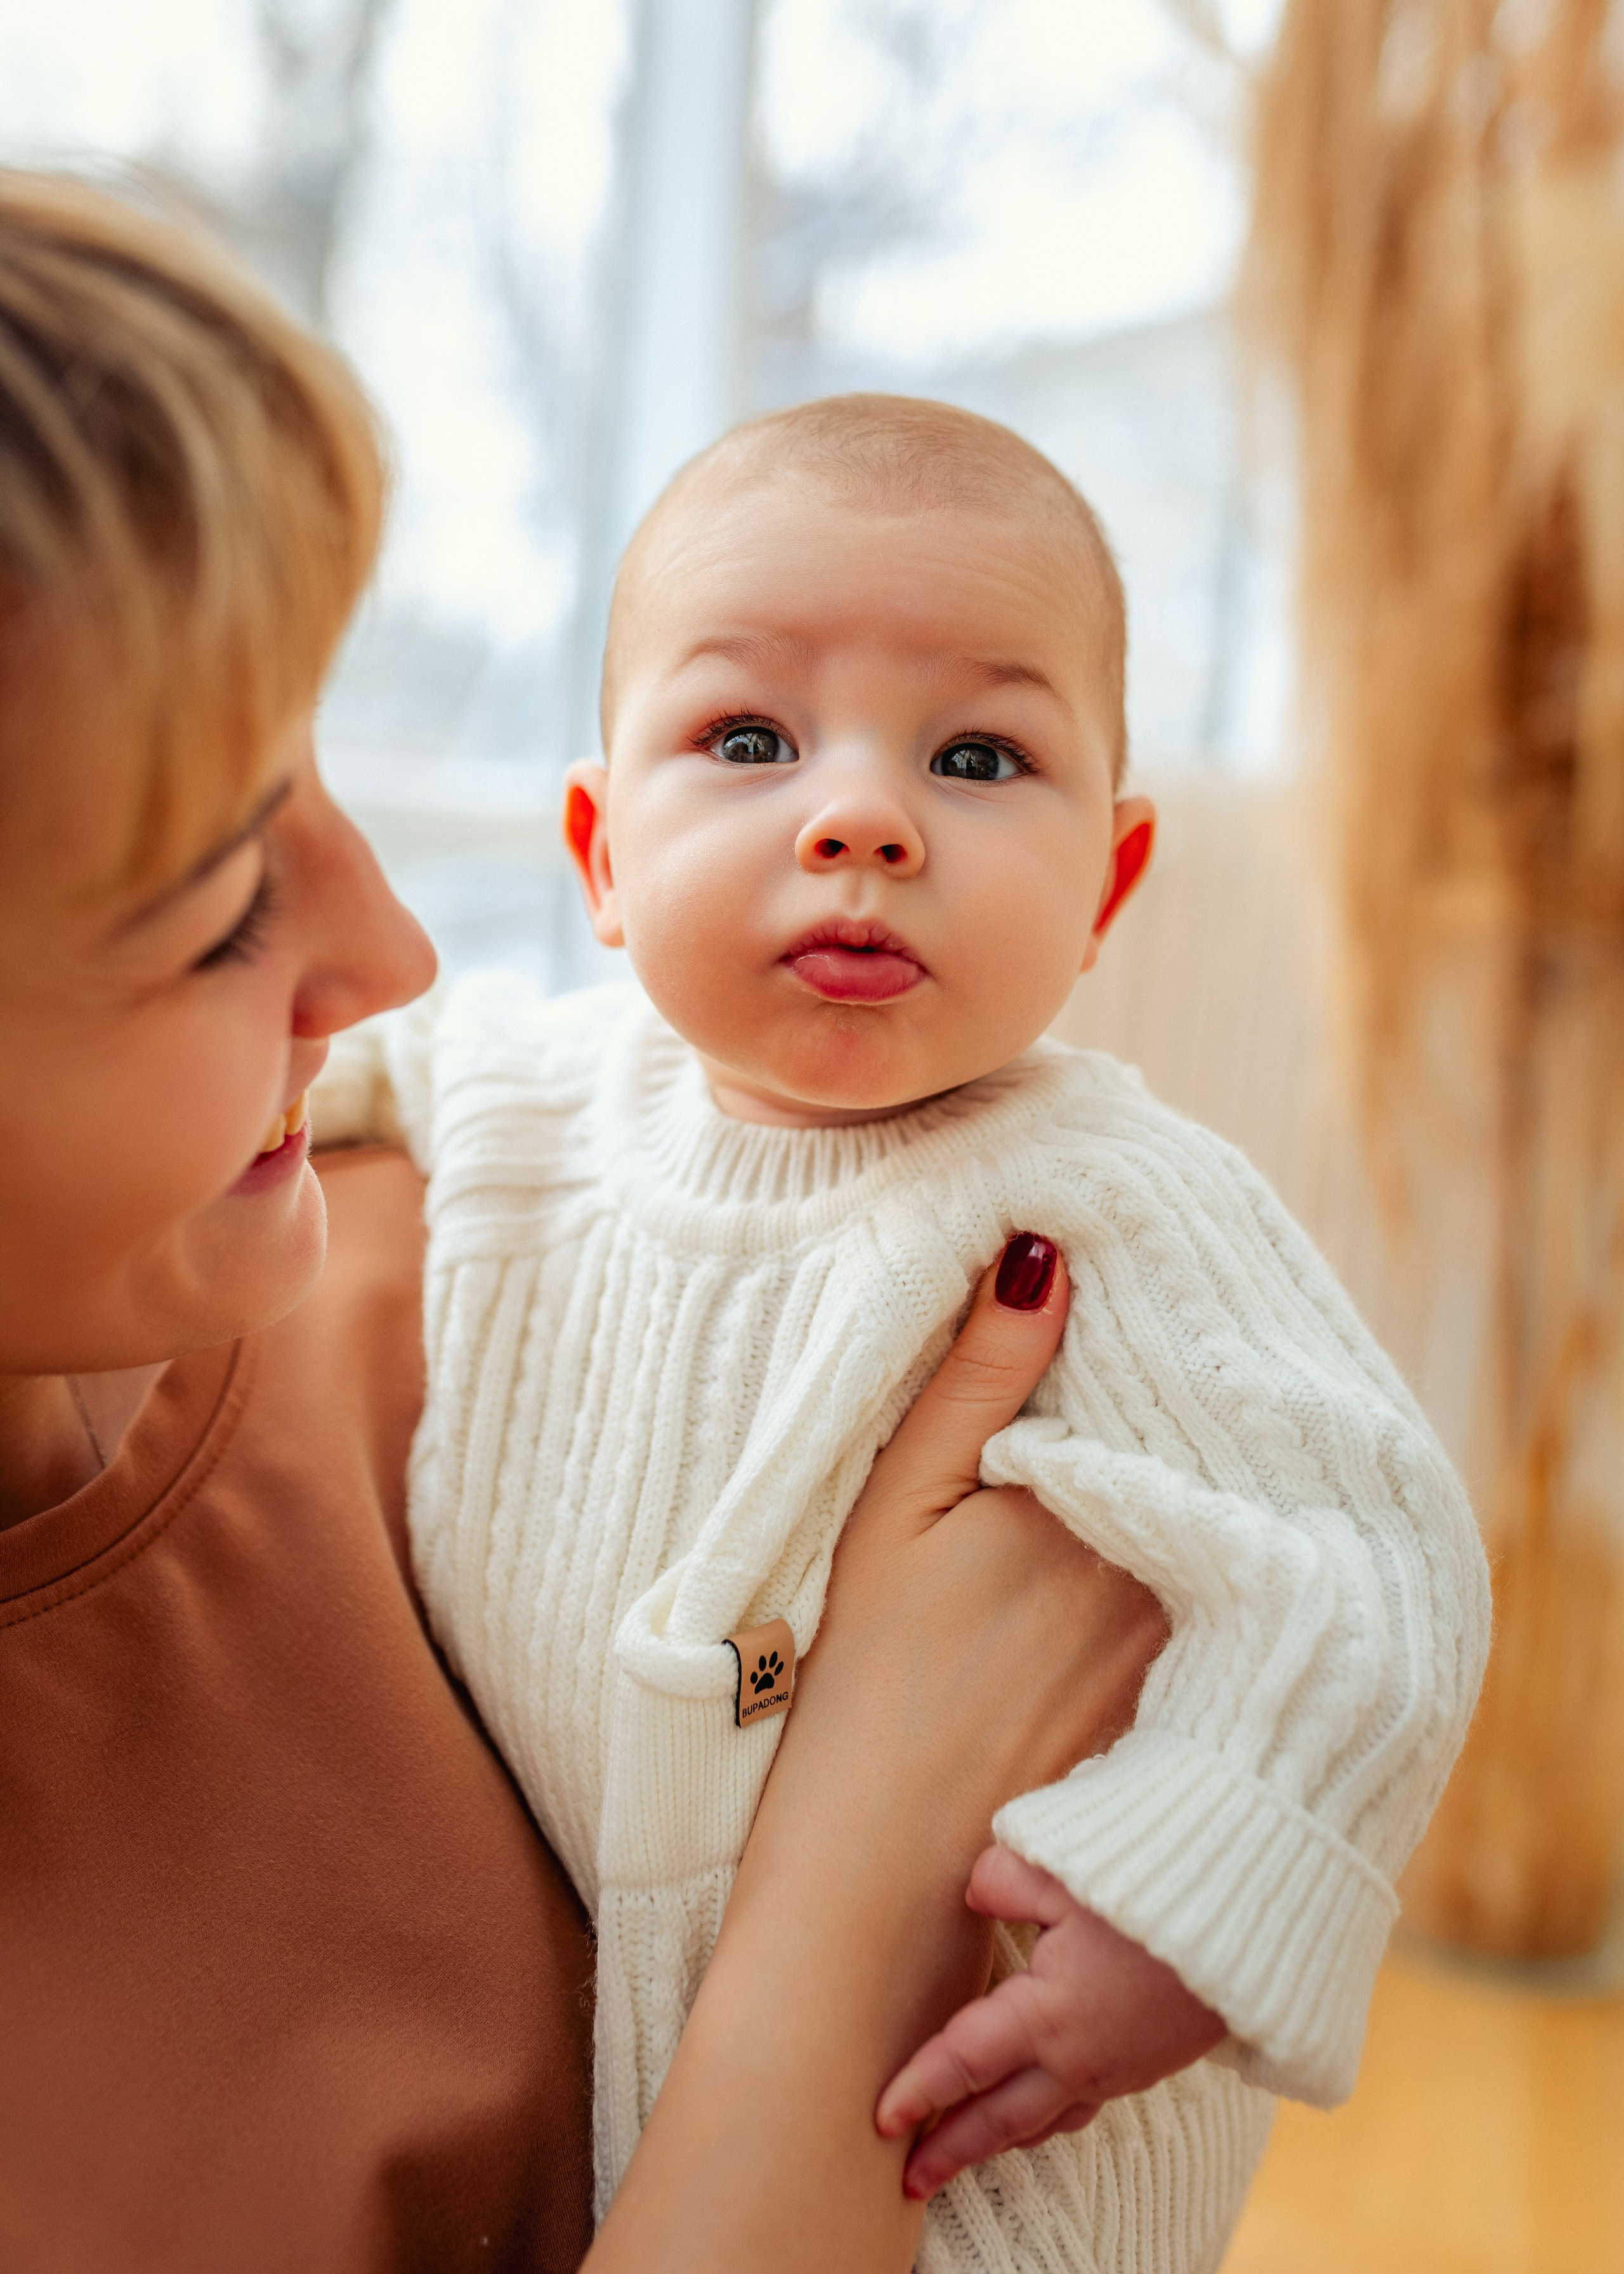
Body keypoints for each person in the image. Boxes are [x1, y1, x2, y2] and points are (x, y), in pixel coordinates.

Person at [0, 174, 1170, 2274]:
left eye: (315, 772)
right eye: (212, 910)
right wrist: (882, 1837)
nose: (400, 951)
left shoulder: (434, 1253)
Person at [318, 396, 1493, 2271]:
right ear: (601, 854)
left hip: (986, 2105)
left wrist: (1184, 1905)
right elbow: (336, 1067)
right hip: (617, 2076)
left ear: (1106, 888)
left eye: (973, 754)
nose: (860, 818)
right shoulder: (529, 1097)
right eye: (750, 737)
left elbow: (1370, 1561)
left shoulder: (1110, 1191)